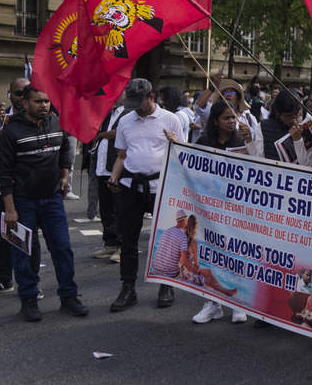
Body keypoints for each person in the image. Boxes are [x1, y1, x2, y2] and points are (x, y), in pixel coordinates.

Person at [0, 85, 88, 321]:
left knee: (63, 249)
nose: (44, 105)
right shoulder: (11, 131)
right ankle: (28, 299)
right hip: (23, 202)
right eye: (38, 102)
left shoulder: (56, 123)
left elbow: (66, 150)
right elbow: (3, 173)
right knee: (22, 253)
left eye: (46, 101)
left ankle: (69, 296)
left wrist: (65, 174)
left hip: (52, 200)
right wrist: (10, 208)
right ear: (25, 103)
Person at [108, 79, 184, 312]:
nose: (136, 108)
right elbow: (122, 154)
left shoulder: (171, 119)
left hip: (161, 185)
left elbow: (184, 153)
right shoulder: (126, 121)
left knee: (166, 239)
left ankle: (165, 284)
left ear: (152, 97)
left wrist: (176, 143)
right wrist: (114, 176)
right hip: (132, 185)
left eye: (139, 102)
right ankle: (128, 287)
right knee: (128, 239)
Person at [0, 77, 42, 298]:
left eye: (25, 93)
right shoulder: (1, 119)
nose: (21, 98)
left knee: (27, 237)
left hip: (24, 190)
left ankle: (32, 282)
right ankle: (4, 280)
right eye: (17, 93)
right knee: (0, 236)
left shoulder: (36, 118)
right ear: (9, 95)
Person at [190, 102, 250, 325]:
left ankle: (237, 302)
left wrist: (251, 144)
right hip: (209, 208)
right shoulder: (205, 142)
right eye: (226, 118)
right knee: (209, 253)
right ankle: (212, 303)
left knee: (234, 253)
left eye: (233, 117)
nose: (232, 121)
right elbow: (190, 163)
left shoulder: (242, 141)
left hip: (235, 208)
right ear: (215, 121)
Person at [91, 102, 128, 262]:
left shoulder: (128, 113)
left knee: (119, 209)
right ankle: (110, 244)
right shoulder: (106, 113)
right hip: (102, 167)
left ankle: (121, 247)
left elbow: (119, 133)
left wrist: (100, 134)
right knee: (106, 210)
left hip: (117, 168)